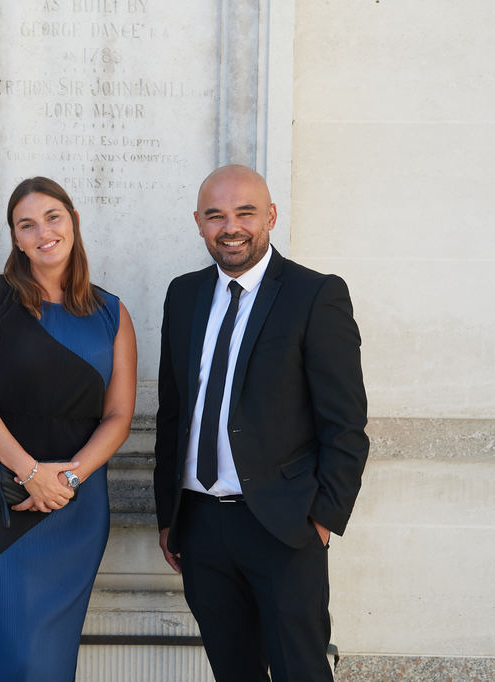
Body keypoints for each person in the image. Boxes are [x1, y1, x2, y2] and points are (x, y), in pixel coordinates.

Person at [153, 165, 369, 681]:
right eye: (215, 216)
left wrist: (321, 522)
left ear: (270, 216)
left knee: (301, 672)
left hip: (284, 527)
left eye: (245, 213)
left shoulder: (314, 295)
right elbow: (173, 413)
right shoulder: (183, 295)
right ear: (199, 223)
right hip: (200, 525)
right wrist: (168, 516)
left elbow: (345, 424)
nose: (231, 227)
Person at [0, 177, 137, 681]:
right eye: (26, 224)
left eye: (53, 217)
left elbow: (119, 416)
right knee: (10, 656)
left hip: (75, 505)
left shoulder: (112, 312)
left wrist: (67, 479)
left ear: (73, 220)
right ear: (15, 238)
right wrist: (31, 473)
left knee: (50, 664)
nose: (43, 232)